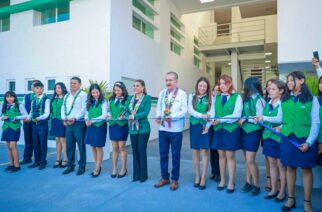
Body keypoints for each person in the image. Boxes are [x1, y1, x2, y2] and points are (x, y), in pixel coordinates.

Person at [280, 71, 320, 212]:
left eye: (292, 80)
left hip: (304, 138)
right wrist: (264, 119)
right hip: (288, 138)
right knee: (290, 167)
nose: (289, 82)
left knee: (306, 169)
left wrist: (309, 142)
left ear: (301, 80)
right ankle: (291, 199)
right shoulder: (284, 98)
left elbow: (316, 122)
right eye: (288, 80)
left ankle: (307, 202)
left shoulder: (312, 99)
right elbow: (280, 118)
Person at [154, 71, 188, 191]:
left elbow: (184, 110)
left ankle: (175, 180)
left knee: (175, 155)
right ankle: (164, 178)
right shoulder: (162, 93)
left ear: (176, 81)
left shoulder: (182, 94)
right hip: (163, 129)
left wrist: (172, 117)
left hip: (176, 130)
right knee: (163, 155)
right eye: (166, 80)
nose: (168, 82)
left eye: (170, 80)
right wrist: (158, 116)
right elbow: (159, 108)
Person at [254, 80, 287, 202]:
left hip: (278, 138)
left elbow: (280, 118)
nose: (270, 90)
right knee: (272, 164)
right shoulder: (268, 102)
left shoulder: (283, 102)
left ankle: (282, 191)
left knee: (281, 166)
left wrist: (263, 117)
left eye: (273, 89)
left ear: (281, 91)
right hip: (268, 136)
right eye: (269, 88)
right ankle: (274, 189)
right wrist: (259, 119)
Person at [210, 74, 243, 194]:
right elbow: (213, 111)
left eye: (225, 83)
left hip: (231, 130)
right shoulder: (217, 97)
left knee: (230, 156)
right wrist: (211, 120)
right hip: (218, 129)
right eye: (220, 83)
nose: (222, 86)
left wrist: (221, 119)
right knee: (221, 155)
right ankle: (223, 180)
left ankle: (231, 182)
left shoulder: (237, 97)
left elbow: (237, 115)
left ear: (230, 83)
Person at [239, 77, 265, 195]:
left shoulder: (260, 100)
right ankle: (248, 182)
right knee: (246, 160)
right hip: (244, 130)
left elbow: (259, 120)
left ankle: (256, 185)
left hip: (254, 131)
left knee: (250, 160)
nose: (246, 88)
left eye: (247, 86)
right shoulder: (247, 99)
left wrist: (245, 118)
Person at [188, 77, 212, 190]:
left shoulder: (211, 97)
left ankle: (203, 178)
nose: (202, 88)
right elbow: (190, 110)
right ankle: (197, 176)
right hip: (194, 126)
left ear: (207, 88)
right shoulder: (191, 96)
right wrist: (201, 115)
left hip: (205, 127)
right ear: (197, 86)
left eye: (204, 86)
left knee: (204, 152)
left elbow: (212, 113)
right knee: (195, 151)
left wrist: (207, 126)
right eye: (200, 86)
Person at [126, 79, 151, 183]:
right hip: (132, 128)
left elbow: (145, 112)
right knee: (135, 151)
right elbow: (126, 112)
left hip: (143, 129)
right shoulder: (129, 98)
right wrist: (129, 116)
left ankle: (143, 176)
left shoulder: (147, 98)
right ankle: (136, 175)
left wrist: (134, 116)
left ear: (143, 87)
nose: (135, 87)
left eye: (137, 86)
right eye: (134, 86)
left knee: (141, 151)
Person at [61, 77, 87, 176]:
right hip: (68, 123)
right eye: (71, 83)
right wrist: (64, 118)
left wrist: (75, 118)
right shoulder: (67, 95)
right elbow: (63, 107)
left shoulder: (83, 94)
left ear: (79, 84)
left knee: (80, 145)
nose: (72, 85)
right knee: (69, 145)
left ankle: (81, 166)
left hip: (78, 123)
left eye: (75, 83)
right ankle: (70, 165)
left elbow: (83, 108)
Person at [1, 91, 28, 172]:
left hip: (15, 128)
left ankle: (17, 165)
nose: (9, 98)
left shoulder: (19, 105)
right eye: (7, 97)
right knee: (8, 147)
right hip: (6, 128)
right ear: (5, 98)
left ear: (14, 97)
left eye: (11, 97)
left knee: (13, 146)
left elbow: (26, 115)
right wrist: (2, 117)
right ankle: (11, 164)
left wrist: (17, 117)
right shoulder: (3, 105)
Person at [84, 84, 107, 178]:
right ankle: (96, 166)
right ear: (91, 93)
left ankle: (97, 168)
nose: (95, 94)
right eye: (93, 92)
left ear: (99, 92)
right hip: (91, 127)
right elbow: (86, 113)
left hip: (100, 126)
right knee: (93, 146)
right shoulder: (89, 102)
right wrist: (86, 120)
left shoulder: (104, 101)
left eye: (96, 92)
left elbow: (104, 115)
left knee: (99, 147)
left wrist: (92, 121)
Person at [107, 81, 129, 178]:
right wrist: (109, 116)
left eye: (119, 90)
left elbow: (129, 111)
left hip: (122, 125)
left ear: (123, 90)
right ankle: (114, 168)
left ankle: (123, 168)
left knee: (122, 148)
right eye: (115, 90)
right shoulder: (111, 99)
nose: (117, 92)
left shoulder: (127, 99)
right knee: (114, 148)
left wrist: (124, 115)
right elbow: (108, 110)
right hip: (113, 125)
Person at [27, 81, 50, 170]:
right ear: (34, 89)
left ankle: (43, 161)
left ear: (43, 89)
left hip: (42, 125)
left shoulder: (46, 99)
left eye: (41, 88)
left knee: (42, 143)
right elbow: (31, 112)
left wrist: (39, 118)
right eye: (37, 88)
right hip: (34, 125)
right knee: (35, 143)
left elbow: (47, 113)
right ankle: (36, 161)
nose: (39, 90)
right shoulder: (33, 100)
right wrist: (28, 118)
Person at [20, 80, 40, 165]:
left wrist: (31, 117)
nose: (34, 87)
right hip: (27, 122)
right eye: (33, 85)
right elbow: (22, 108)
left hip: (36, 122)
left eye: (36, 86)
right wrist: (24, 117)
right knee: (27, 140)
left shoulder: (42, 97)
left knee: (36, 141)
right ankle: (27, 158)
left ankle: (37, 159)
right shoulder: (27, 96)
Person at [50, 82, 68, 168]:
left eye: (59, 88)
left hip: (62, 121)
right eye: (56, 88)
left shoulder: (66, 98)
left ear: (63, 89)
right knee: (57, 140)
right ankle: (58, 159)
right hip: (55, 121)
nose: (57, 89)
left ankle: (66, 159)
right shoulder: (54, 98)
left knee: (63, 140)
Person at [209, 84, 221, 182]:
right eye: (215, 90)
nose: (216, 92)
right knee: (212, 151)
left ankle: (219, 173)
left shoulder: (220, 101)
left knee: (218, 152)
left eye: (218, 90)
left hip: (218, 127)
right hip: (210, 128)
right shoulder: (209, 101)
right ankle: (213, 171)